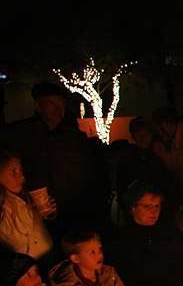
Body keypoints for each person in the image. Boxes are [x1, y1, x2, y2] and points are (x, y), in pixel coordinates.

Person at [0, 82, 109, 239]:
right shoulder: (20, 135)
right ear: (38, 106)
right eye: (52, 105)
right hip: (35, 216)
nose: (59, 110)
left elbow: (93, 174)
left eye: (62, 105)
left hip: (76, 214)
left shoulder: (75, 139)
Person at [0, 147, 57, 268]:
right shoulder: (3, 206)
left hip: (49, 259)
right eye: (13, 172)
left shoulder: (27, 196)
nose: (21, 177)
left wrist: (48, 214)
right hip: (25, 270)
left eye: (20, 170)